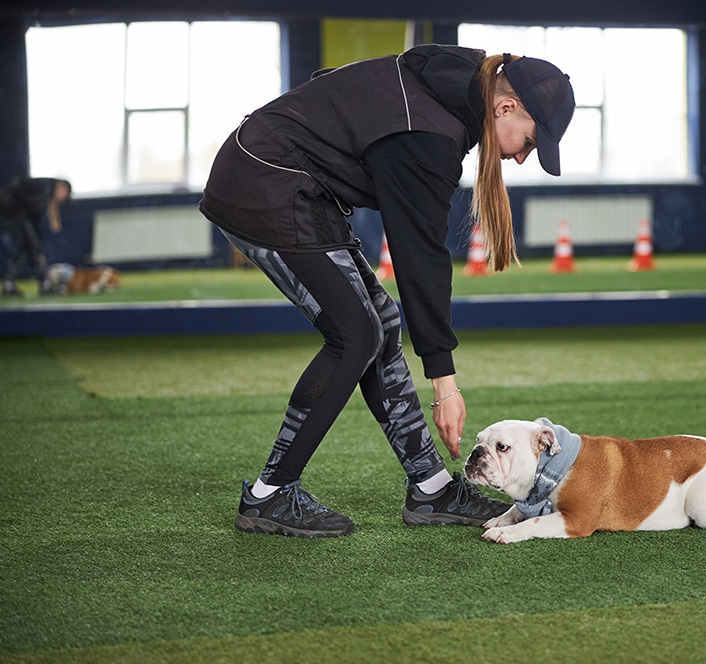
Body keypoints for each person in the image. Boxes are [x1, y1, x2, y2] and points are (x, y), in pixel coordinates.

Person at [200, 44, 575, 538]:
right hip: (265, 184)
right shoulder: (432, 135)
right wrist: (445, 384)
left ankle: (431, 486)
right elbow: (421, 259)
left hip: (298, 185)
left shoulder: (463, 78)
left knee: (381, 324)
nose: (522, 158)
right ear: (505, 107)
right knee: (355, 334)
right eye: (528, 142)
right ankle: (269, 495)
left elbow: (335, 84)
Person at [0, 177, 71, 297]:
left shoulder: (45, 191)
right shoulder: (45, 188)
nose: (63, 198)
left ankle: (9, 285)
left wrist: (38, 248)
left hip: (12, 213)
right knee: (29, 245)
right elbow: (23, 199)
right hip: (10, 212)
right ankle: (44, 285)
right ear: (62, 188)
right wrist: (36, 248)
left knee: (25, 246)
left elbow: (35, 220)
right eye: (65, 194)